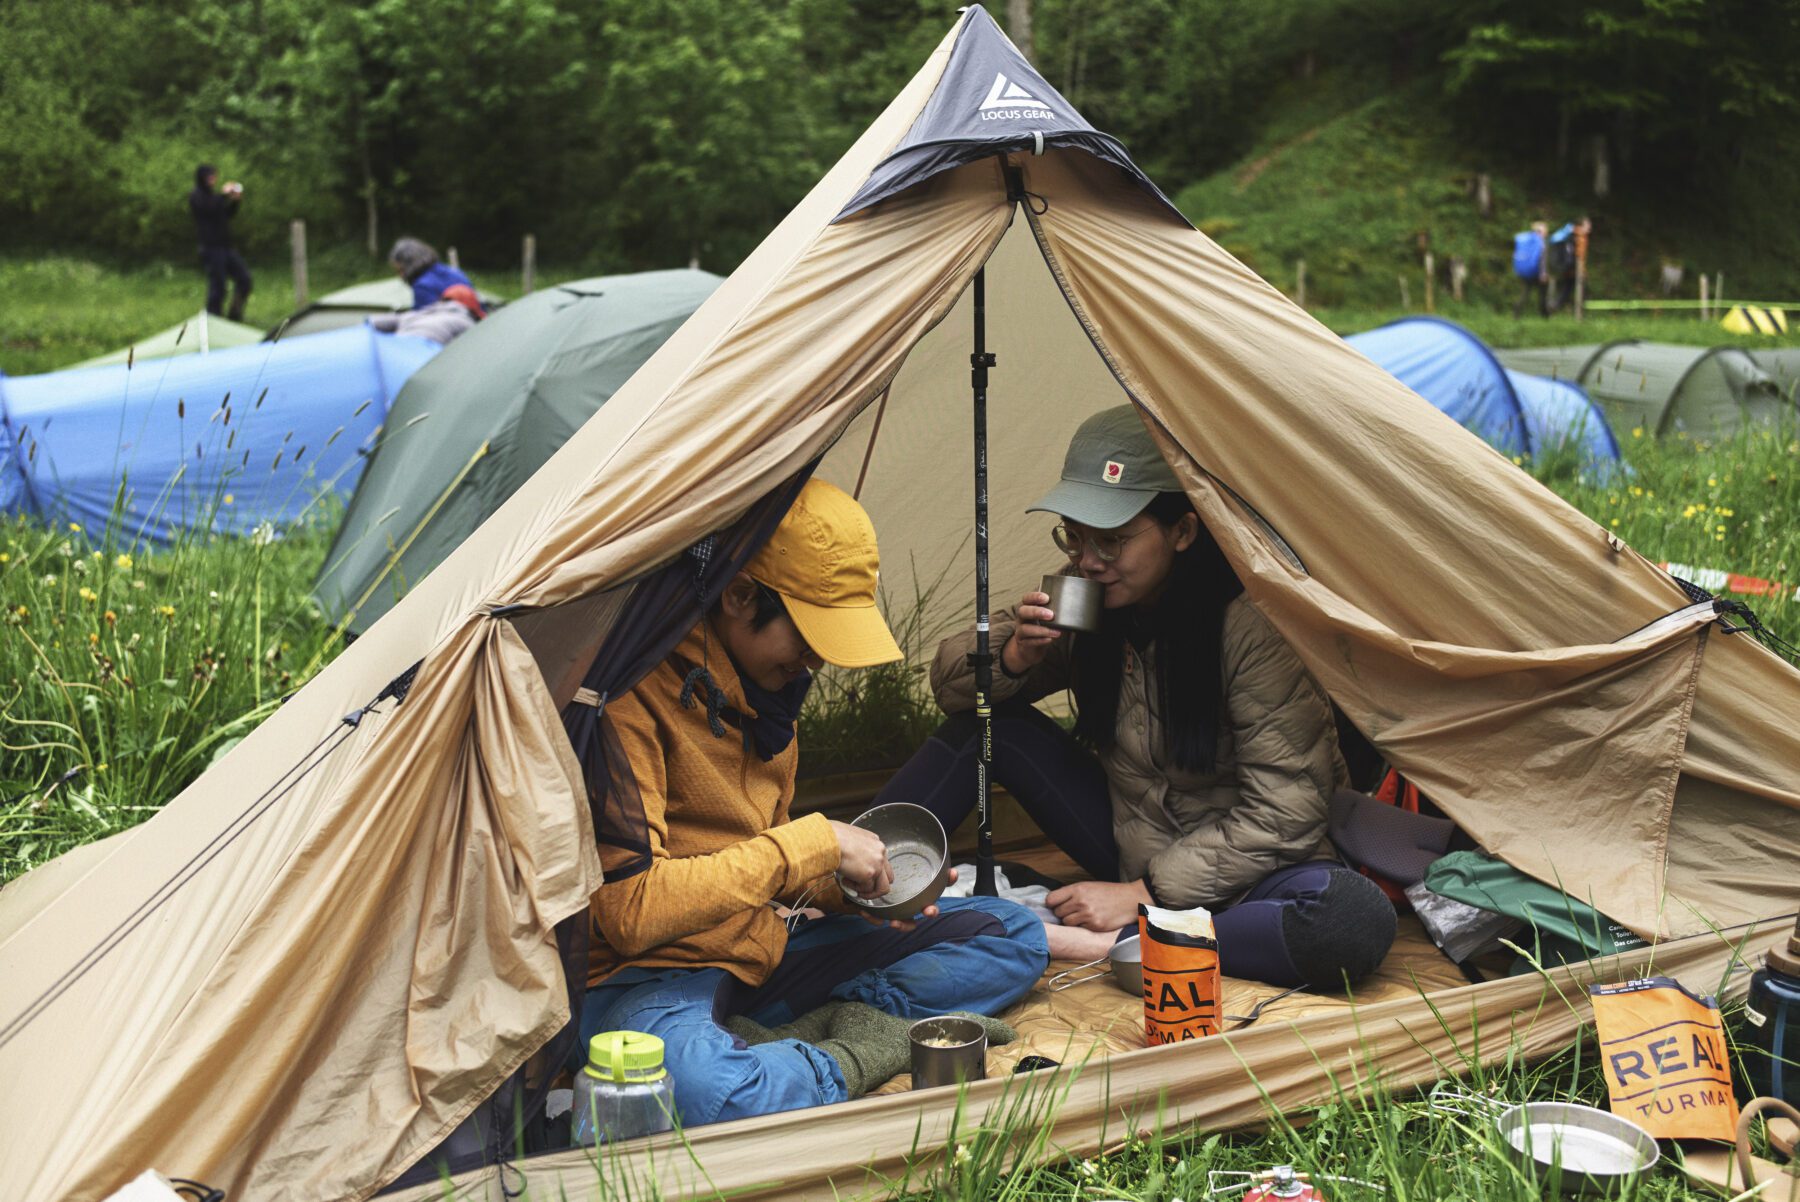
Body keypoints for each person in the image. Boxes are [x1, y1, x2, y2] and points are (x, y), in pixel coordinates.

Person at [878, 406, 1396, 992]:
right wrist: (1015, 655)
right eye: (1075, 537)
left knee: (1350, 921)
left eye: (1114, 540)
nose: (1089, 560)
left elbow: (1287, 813)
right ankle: (848, 890)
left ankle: (1113, 943)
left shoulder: (1251, 625)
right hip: (1133, 838)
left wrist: (1140, 896)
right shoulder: (1089, 598)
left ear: (1183, 530)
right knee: (985, 728)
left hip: (1249, 871)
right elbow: (951, 686)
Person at [579, 478, 1047, 1127]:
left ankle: (821, 1022)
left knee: (1012, 931)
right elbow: (626, 913)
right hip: (650, 977)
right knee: (709, 1090)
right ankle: (860, 1046)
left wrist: (851, 890)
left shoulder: (770, 695)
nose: (817, 661)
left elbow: (764, 867)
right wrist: (813, 843)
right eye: (809, 635)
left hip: (762, 950)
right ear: (741, 595)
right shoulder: (625, 697)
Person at [188, 164, 252, 321]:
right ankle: (213, 319)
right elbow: (208, 208)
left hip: (226, 247)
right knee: (218, 287)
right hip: (210, 248)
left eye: (214, 176)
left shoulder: (213, 197)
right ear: (202, 177)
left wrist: (235, 201)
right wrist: (224, 195)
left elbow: (226, 214)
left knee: (244, 279)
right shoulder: (197, 196)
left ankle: (234, 314)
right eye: (210, 176)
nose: (213, 179)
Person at [367, 283, 484, 345]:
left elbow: (373, 322)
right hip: (429, 354)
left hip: (398, 346)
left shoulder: (419, 314)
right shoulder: (468, 323)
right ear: (474, 310)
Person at [387, 236, 474, 309]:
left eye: (401, 270)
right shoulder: (457, 273)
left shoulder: (422, 286)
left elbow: (421, 321)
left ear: (409, 265)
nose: (401, 276)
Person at [1511, 221, 1549, 318]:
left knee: (1526, 292)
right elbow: (1542, 260)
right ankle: (1544, 314)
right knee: (1542, 292)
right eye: (1545, 230)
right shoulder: (1540, 242)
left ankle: (1517, 308)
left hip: (1525, 272)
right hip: (1536, 272)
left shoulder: (1527, 239)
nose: (1546, 232)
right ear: (1540, 231)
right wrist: (1543, 273)